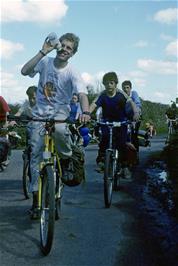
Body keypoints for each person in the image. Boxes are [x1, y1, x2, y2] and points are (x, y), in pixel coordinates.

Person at [21, 32, 90, 218]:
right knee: (35, 155)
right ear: (58, 46)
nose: (65, 50)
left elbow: (82, 94)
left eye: (69, 48)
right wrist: (43, 51)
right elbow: (24, 71)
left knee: (60, 129)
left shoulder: (72, 72)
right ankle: (36, 200)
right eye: (63, 45)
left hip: (60, 112)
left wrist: (86, 112)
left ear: (73, 53)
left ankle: (66, 159)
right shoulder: (45, 63)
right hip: (40, 114)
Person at [90, 72, 138, 176]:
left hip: (121, 122)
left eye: (111, 83)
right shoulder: (102, 95)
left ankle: (125, 166)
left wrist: (135, 113)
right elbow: (94, 104)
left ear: (116, 84)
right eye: (106, 83)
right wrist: (87, 114)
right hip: (106, 121)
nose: (109, 85)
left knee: (122, 143)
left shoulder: (121, 93)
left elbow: (131, 103)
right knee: (104, 139)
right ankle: (102, 161)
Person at [121, 80, 142, 153]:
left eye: (127, 87)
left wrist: (136, 115)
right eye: (124, 88)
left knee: (134, 134)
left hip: (135, 117)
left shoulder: (134, 94)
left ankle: (135, 154)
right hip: (124, 118)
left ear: (130, 88)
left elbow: (138, 105)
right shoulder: (120, 95)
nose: (126, 89)